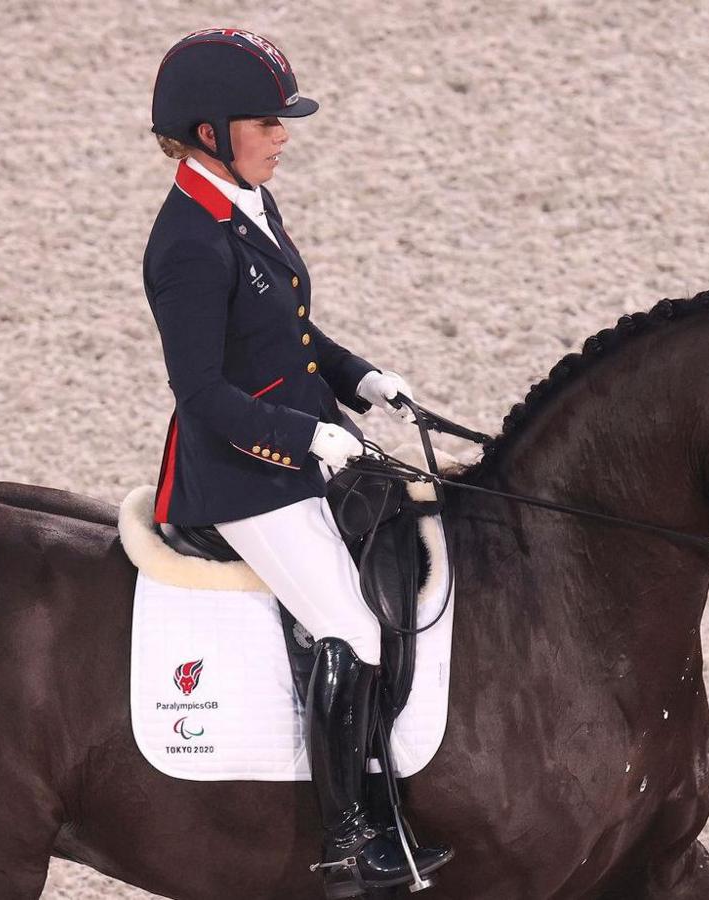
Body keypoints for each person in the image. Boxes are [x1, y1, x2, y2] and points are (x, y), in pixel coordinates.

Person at [142, 28, 453, 896]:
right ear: (209, 133)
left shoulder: (247, 204)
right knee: (350, 627)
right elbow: (202, 393)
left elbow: (290, 331)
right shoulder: (187, 245)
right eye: (267, 123)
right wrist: (305, 436)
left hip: (304, 441)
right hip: (241, 475)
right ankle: (348, 835)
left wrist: (363, 380)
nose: (283, 137)